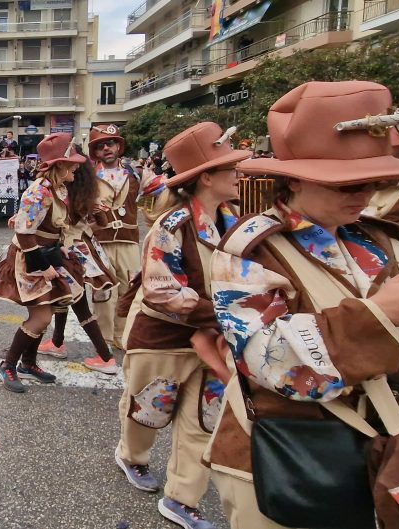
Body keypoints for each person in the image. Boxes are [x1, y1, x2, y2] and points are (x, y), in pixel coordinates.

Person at [207, 81, 399, 529]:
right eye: (345, 183)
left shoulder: (379, 239)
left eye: (375, 179)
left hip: (384, 447)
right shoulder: (249, 249)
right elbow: (269, 363)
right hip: (291, 450)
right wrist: (380, 315)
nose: (364, 193)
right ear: (294, 177)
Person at [113, 122, 248, 529]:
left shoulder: (235, 220)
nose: (240, 174)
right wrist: (228, 314)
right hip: (164, 339)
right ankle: (130, 456)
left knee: (204, 419)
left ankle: (182, 498)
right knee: (147, 412)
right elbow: (161, 290)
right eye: (231, 168)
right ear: (207, 177)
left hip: (214, 340)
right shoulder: (171, 225)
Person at [0, 133, 99, 392]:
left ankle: (28, 363)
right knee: (40, 317)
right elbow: (24, 232)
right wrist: (42, 266)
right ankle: (8, 365)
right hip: (31, 258)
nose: (77, 166)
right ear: (58, 165)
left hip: (48, 254)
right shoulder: (39, 191)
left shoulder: (59, 189)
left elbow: (54, 225)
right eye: (72, 162)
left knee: (47, 312)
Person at [34, 153, 120, 374]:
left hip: (66, 250)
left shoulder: (64, 193)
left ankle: (106, 357)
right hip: (84, 246)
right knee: (64, 296)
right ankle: (57, 342)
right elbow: (102, 222)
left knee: (78, 303)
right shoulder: (89, 192)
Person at [88, 125, 141, 352]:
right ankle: (105, 340)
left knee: (130, 289)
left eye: (110, 143)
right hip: (101, 241)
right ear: (95, 152)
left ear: (119, 146)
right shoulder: (89, 178)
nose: (106, 148)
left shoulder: (137, 174)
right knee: (104, 291)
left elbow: (162, 198)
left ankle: (123, 335)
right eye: (100, 146)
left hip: (129, 240)